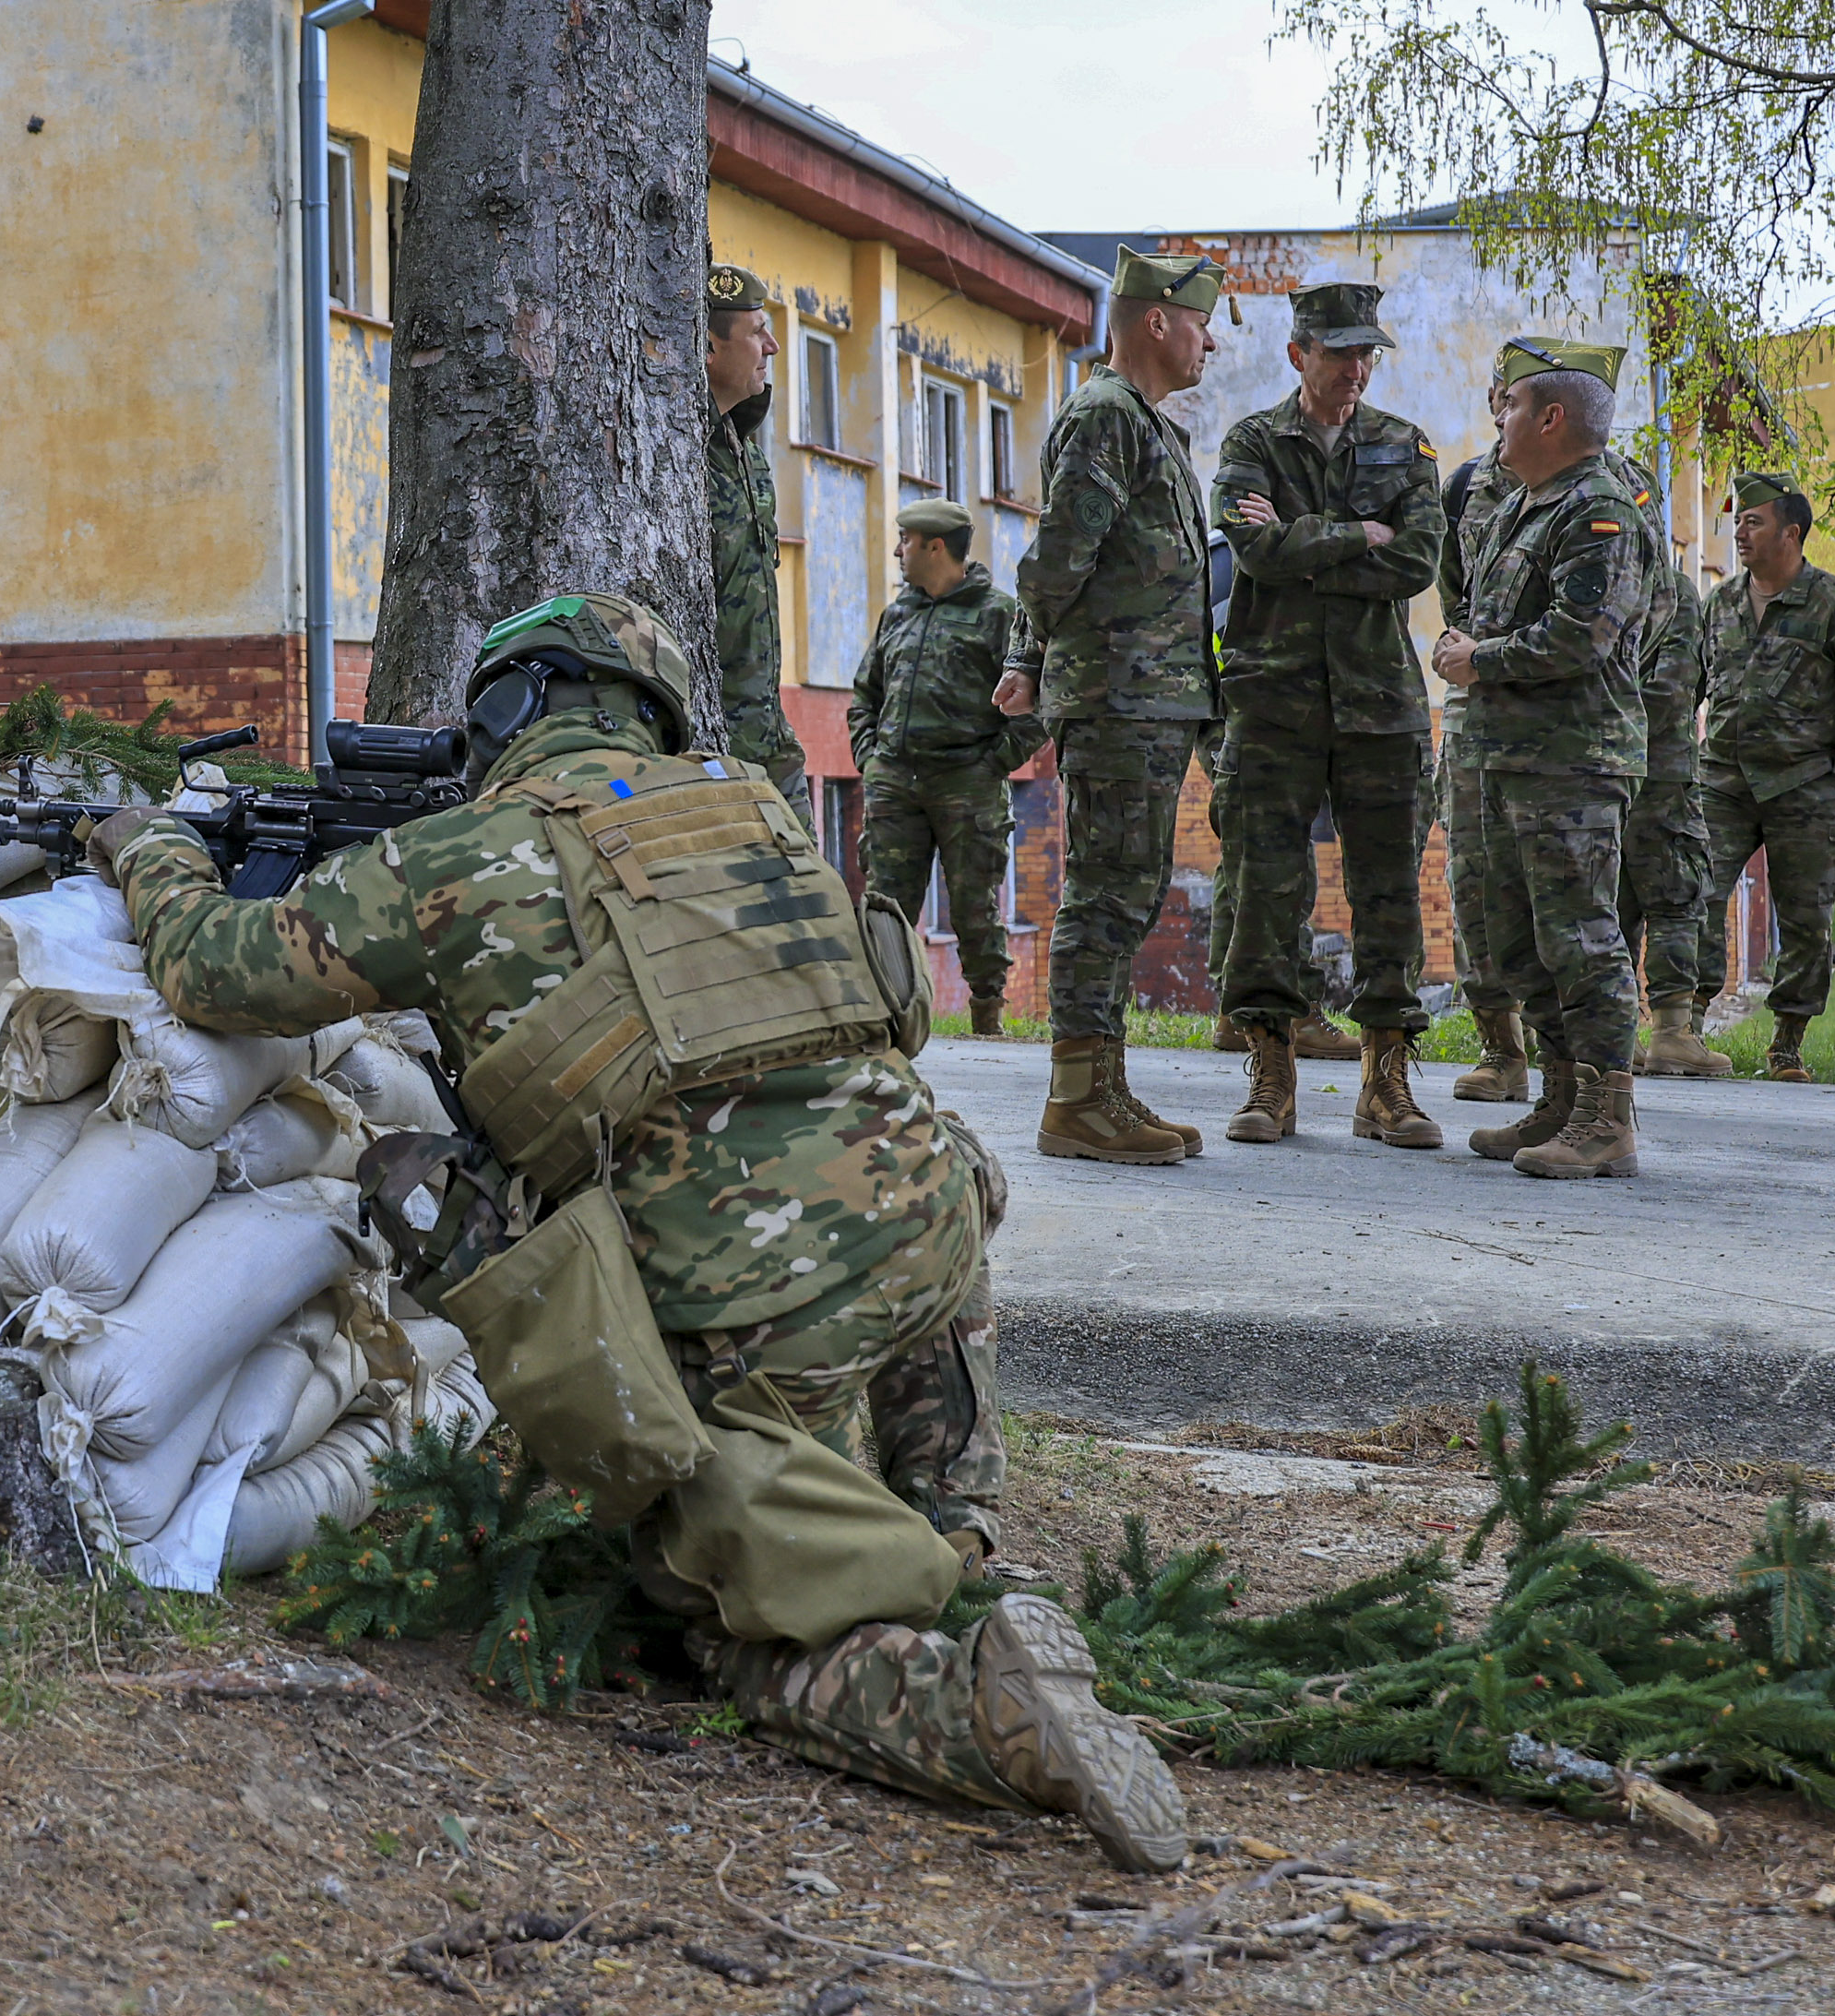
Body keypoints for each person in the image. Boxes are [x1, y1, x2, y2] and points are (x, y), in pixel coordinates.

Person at [90, 592, 1188, 1873]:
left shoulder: (458, 855)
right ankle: (951, 1529)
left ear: (503, 713)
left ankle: (989, 1712)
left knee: (734, 1629)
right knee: (917, 1188)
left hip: (758, 1307)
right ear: (652, 712)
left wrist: (150, 846)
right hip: (935, 1233)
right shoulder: (758, 811)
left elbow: (214, 968)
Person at [998, 246, 1225, 1166]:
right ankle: (1074, 1100)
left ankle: (1105, 1085)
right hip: (1118, 699)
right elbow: (1057, 560)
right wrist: (1028, 655)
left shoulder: (1148, 424)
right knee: (1101, 897)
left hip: (1151, 700)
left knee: (1127, 892)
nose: (1208, 343)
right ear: (1157, 320)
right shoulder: (1105, 418)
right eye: (1202, 323)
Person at [1209, 281, 1446, 1150]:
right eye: (1340, 352)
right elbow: (1254, 550)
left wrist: (1308, 535)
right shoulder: (1249, 443)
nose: (1356, 369)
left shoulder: (1402, 446)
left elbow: (1417, 560)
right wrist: (1358, 534)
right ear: (1296, 354)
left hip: (1379, 701)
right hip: (1272, 700)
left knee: (1386, 893)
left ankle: (1385, 1082)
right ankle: (1271, 1074)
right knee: (1268, 889)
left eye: (1366, 354)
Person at [1433, 338, 1657, 1178]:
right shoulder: (1520, 506)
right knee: (1518, 942)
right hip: (1503, 758)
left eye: (1513, 404)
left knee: (1582, 939)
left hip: (1570, 763)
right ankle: (1561, 1099)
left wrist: (1477, 660)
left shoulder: (1599, 509)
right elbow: (1480, 607)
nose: (1500, 416)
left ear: (1551, 416)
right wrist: (1469, 645)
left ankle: (1608, 1119)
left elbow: (1583, 636)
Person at [1695, 473, 1835, 1080]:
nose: (1739, 533)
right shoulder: (1720, 604)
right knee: (1693, 894)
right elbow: (1687, 684)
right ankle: (1683, 1025)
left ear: (1791, 531)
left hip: (1803, 786)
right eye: (1736, 523)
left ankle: (1786, 1043)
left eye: (1752, 521)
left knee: (1805, 914)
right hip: (1723, 782)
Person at [851, 498, 1046, 1038]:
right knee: (885, 905)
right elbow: (864, 695)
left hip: (967, 784)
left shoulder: (999, 614)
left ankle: (988, 1016)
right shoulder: (897, 612)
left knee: (973, 906)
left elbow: (1039, 707)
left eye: (906, 541)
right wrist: (870, 759)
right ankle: (881, 1019)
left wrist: (992, 765)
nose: (898, 551)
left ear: (936, 547)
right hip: (895, 783)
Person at [1604, 450, 1730, 1080]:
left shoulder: (1596, 580)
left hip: (1598, 767)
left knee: (1612, 900)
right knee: (1676, 896)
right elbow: (1679, 687)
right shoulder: (1672, 594)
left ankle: (1619, 1033)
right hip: (1660, 769)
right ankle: (1673, 1031)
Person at [1435, 366, 1528, 1103]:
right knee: (1473, 881)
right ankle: (1500, 1046)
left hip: (1556, 716)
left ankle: (1579, 1064)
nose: (1509, 411)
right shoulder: (1465, 486)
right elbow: (1452, 591)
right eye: (1502, 397)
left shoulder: (1608, 485)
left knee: (1561, 889)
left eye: (1523, 397)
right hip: (1472, 712)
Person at [707, 265, 812, 837]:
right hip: (710, 741)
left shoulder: (747, 454)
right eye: (756, 332)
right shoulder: (677, 457)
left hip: (767, 730)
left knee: (816, 897)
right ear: (708, 347)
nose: (771, 346)